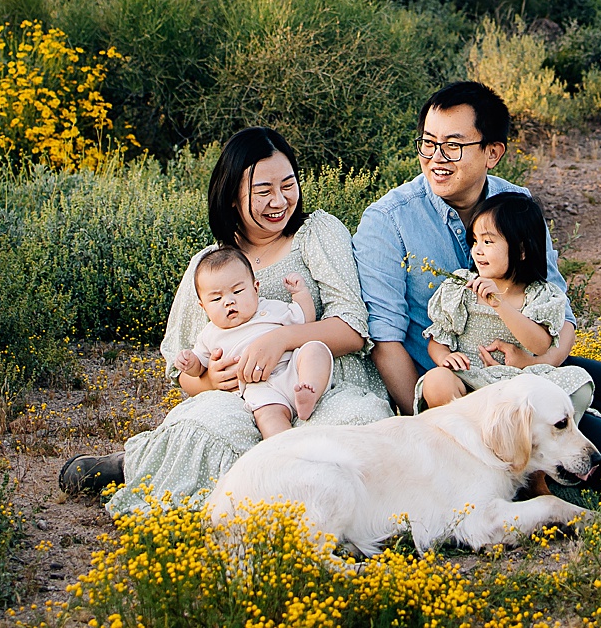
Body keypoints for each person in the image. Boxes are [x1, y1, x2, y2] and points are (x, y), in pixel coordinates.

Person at [353, 80, 601, 474]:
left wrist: (543, 365)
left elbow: (558, 305)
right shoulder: (388, 222)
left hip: (533, 368)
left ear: (493, 152)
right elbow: (385, 340)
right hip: (458, 392)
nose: (437, 158)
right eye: (428, 143)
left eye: (453, 145)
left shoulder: (516, 205)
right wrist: (428, 429)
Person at [59, 126, 391, 509]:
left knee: (349, 427)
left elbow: (352, 327)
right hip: (240, 396)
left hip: (320, 383)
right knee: (204, 428)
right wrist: (209, 380)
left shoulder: (316, 233)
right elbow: (183, 366)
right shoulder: (209, 266)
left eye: (288, 185)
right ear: (232, 196)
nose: (279, 201)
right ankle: (136, 463)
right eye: (263, 191)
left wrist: (282, 339)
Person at [417, 191, 592, 423]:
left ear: (521, 250)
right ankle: (471, 437)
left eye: (488, 242)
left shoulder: (539, 294)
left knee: (579, 383)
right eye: (475, 241)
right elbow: (438, 340)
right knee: (436, 380)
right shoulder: (461, 288)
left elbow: (540, 345)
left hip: (521, 385)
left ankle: (535, 438)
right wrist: (445, 358)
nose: (478, 250)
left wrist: (499, 304)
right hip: (472, 383)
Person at [176, 249, 333, 436]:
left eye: (238, 291)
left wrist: (300, 294)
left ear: (255, 288)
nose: (229, 301)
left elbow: (305, 320)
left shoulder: (270, 309)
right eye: (216, 298)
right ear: (203, 306)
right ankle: (284, 445)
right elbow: (200, 367)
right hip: (260, 387)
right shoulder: (209, 335)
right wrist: (190, 363)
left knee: (315, 349)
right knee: (268, 416)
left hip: (293, 369)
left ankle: (309, 390)